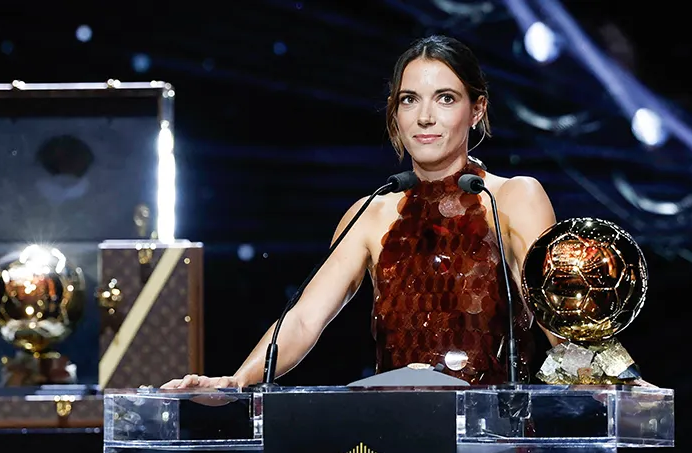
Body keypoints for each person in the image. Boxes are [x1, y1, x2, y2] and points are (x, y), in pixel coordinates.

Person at [162, 34, 559, 392]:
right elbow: (304, 319)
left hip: (495, 435)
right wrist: (238, 380)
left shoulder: (512, 197)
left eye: (445, 98)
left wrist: (591, 385)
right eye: (409, 100)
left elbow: (561, 324)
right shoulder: (371, 213)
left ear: (477, 110)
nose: (425, 116)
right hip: (398, 433)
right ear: (395, 112)